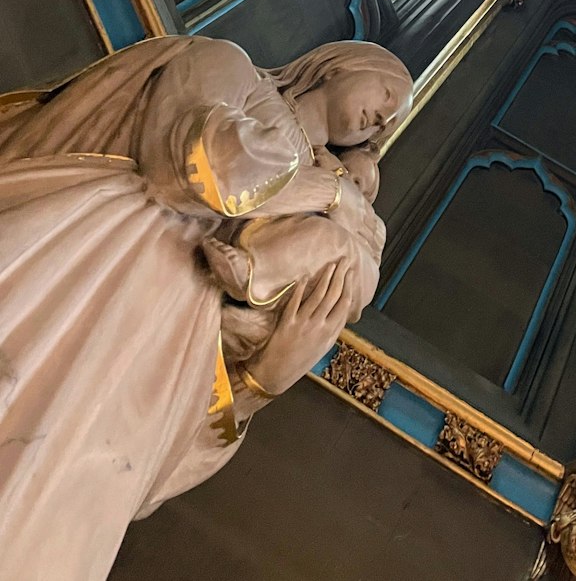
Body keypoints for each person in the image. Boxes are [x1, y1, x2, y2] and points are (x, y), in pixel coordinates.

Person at [0, 34, 412, 581]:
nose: (381, 120)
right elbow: (190, 173)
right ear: (341, 64)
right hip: (113, 253)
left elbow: (160, 468)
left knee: (60, 520)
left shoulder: (325, 220)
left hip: (172, 336)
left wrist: (262, 382)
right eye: (388, 93)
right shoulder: (228, 65)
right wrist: (329, 194)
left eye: (389, 125)